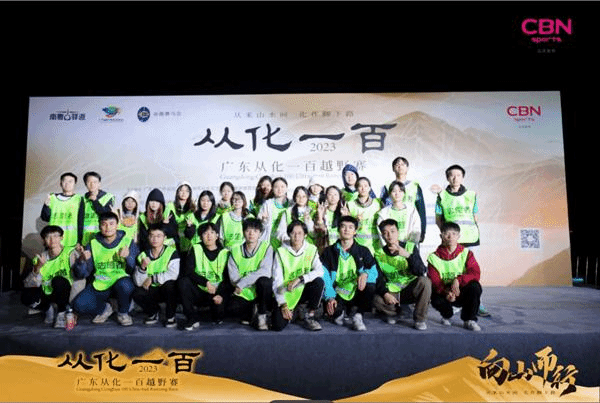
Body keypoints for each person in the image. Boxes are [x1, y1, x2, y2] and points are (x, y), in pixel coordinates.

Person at [435, 164, 489, 317]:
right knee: (453, 272)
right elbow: (438, 219)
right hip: (451, 241)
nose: (455, 178)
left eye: (458, 175)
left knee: (471, 272)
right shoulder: (442, 196)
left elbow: (475, 216)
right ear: (447, 177)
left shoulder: (471, 195)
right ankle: (456, 302)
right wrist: (447, 236)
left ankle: (477, 303)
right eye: (451, 175)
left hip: (470, 239)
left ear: (463, 177)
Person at [72, 212, 139, 326]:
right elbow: (82, 274)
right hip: (100, 283)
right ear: (99, 226)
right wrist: (82, 260)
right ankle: (105, 308)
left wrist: (128, 257)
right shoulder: (92, 243)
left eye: (111, 224)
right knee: (78, 305)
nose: (108, 227)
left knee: (125, 286)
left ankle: (123, 312)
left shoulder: (127, 241)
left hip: (121, 282)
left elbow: (133, 269)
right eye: (104, 224)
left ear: (117, 225)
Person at [321, 215, 377, 331]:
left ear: (355, 231)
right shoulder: (328, 252)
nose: (346, 230)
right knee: (336, 317)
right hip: (337, 292)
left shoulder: (363, 250)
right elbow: (324, 276)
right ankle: (341, 311)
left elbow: (374, 271)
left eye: (350, 227)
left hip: (356, 291)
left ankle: (358, 315)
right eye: (343, 227)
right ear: (338, 230)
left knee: (370, 286)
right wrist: (329, 297)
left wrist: (365, 274)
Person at [21, 225, 84, 328]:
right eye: (48, 237)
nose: (52, 240)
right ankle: (47, 308)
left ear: (61, 237)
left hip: (66, 291)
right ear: (44, 240)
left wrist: (81, 260)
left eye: (55, 236)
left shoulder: (70, 253)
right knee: (26, 297)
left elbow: (81, 273)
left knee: (58, 280)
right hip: (48, 291)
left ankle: (61, 313)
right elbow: (29, 284)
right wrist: (37, 268)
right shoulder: (40, 258)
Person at [373, 219, 431, 330]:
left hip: (410, 289)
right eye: (385, 233)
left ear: (398, 232)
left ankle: (419, 319)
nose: (389, 235)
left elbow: (421, 271)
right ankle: (396, 312)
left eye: (392, 231)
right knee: (374, 298)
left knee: (425, 282)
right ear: (382, 236)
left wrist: (408, 256)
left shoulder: (410, 247)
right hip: (392, 292)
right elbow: (378, 278)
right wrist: (385, 294)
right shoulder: (378, 254)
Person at [427, 222, 483, 331]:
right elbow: (435, 281)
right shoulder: (433, 257)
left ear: (458, 236)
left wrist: (458, 280)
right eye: (446, 234)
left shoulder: (467, 253)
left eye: (454, 234)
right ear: (441, 236)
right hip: (445, 293)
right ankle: (447, 314)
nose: (450, 237)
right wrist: (446, 292)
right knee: (431, 293)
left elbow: (475, 273)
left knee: (475, 286)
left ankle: (469, 320)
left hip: (461, 290)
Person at [271, 220, 324, 331]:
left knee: (318, 281)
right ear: (288, 234)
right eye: (293, 233)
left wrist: (301, 278)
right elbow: (277, 280)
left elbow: (320, 271)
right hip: (286, 292)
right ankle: (296, 312)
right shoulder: (281, 252)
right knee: (277, 326)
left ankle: (310, 315)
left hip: (303, 289)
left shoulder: (311, 249)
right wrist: (283, 304)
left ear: (305, 235)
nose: (296, 236)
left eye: (300, 233)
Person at [178, 222, 231, 330]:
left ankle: (212, 312)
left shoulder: (225, 253)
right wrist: (206, 282)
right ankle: (191, 318)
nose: (209, 236)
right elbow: (188, 271)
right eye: (205, 233)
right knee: (183, 281)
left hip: (216, 291)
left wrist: (221, 294)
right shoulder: (196, 248)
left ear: (217, 235)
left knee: (218, 317)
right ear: (201, 236)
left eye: (212, 232)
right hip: (199, 289)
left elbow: (228, 279)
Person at [227, 218, 274, 330]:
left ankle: (262, 315)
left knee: (265, 281)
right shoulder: (235, 250)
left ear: (260, 233)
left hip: (259, 289)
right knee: (231, 308)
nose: (251, 234)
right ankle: (252, 311)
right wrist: (243, 284)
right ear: (243, 232)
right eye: (248, 230)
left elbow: (265, 272)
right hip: (244, 292)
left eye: (255, 231)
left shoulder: (267, 247)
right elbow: (233, 278)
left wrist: (243, 283)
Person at [132, 223, 180, 328]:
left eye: (158, 236)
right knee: (136, 292)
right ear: (148, 237)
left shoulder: (171, 252)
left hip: (164, 288)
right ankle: (153, 312)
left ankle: (170, 316)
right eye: (152, 236)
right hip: (151, 289)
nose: (155, 239)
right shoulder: (143, 255)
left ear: (164, 238)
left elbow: (174, 274)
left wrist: (153, 278)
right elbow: (138, 282)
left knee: (171, 285)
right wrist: (143, 268)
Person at [380, 157, 426, 243]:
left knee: (410, 250)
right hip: (392, 229)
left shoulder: (414, 186)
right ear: (393, 168)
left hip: (410, 226)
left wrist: (422, 232)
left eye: (402, 164)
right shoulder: (387, 187)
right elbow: (383, 207)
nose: (400, 166)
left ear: (407, 168)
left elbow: (421, 210)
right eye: (397, 164)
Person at [40, 172, 84, 248]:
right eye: (64, 181)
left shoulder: (79, 199)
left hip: (71, 240)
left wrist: (80, 241)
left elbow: (81, 221)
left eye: (70, 181)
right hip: (54, 240)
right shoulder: (52, 197)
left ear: (75, 184)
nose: (67, 184)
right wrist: (46, 206)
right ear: (60, 183)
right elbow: (45, 218)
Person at [376, 181, 422, 246]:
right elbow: (381, 233)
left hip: (409, 247)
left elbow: (416, 229)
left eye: (400, 191)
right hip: (391, 248)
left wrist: (410, 246)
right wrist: (389, 247)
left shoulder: (412, 211)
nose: (397, 194)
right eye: (394, 191)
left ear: (404, 193)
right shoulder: (383, 213)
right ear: (390, 194)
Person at [346, 177, 383, 254]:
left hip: (376, 244)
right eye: (360, 186)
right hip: (358, 244)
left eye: (366, 186)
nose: (363, 188)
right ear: (356, 188)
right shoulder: (350, 205)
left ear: (369, 188)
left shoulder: (378, 203)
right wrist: (356, 221)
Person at [138, 188, 178, 253]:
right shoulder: (143, 217)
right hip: (151, 250)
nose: (154, 204)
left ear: (161, 203)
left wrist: (165, 225)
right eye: (151, 201)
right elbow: (143, 239)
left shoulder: (167, 213)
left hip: (168, 250)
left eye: (157, 201)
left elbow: (174, 233)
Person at [81, 171, 116, 246]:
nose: (92, 184)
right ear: (85, 184)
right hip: (85, 238)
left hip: (102, 238)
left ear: (99, 184)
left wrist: (95, 201)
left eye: (95, 182)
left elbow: (106, 215)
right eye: (89, 182)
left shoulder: (108, 197)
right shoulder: (82, 199)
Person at [257, 176, 290, 249]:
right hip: (269, 242)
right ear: (272, 189)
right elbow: (259, 224)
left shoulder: (291, 204)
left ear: (286, 188)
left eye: (282, 187)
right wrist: (263, 220)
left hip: (286, 243)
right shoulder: (267, 204)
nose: (279, 189)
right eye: (276, 187)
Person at [314, 185, 349, 252]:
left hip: (341, 248)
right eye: (330, 194)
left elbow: (347, 232)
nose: (333, 197)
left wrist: (344, 217)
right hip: (324, 248)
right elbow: (318, 232)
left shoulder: (344, 212)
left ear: (339, 197)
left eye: (335, 194)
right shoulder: (321, 211)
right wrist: (320, 216)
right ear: (326, 196)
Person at [164, 181, 196, 255]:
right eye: (181, 190)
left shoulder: (192, 208)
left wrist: (189, 227)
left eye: (187, 191)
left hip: (187, 243)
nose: (184, 193)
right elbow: (167, 225)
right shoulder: (170, 206)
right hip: (172, 243)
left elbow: (192, 231)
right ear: (177, 192)